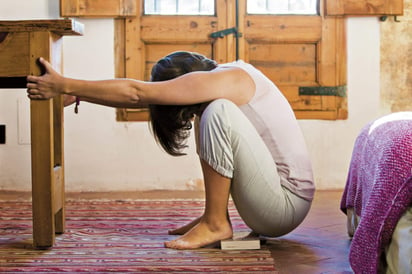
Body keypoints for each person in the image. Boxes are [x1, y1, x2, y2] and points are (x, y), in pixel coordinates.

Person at [26, 51, 315, 250]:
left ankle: (216, 223)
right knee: (211, 111)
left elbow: (138, 92)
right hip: (271, 204)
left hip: (284, 208)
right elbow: (140, 98)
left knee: (217, 112)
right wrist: (78, 94)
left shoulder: (225, 81)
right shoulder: (223, 74)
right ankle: (211, 217)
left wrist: (63, 83)